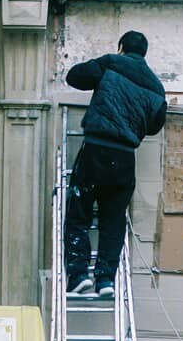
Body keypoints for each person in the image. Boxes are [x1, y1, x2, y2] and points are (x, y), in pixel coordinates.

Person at [64, 30, 167, 297]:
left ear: (121, 47)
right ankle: (106, 280)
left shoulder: (112, 62)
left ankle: (78, 276)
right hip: (124, 158)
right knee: (113, 220)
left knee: (79, 212)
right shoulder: (156, 87)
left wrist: (102, 68)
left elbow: (74, 77)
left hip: (97, 149)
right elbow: (156, 125)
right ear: (144, 53)